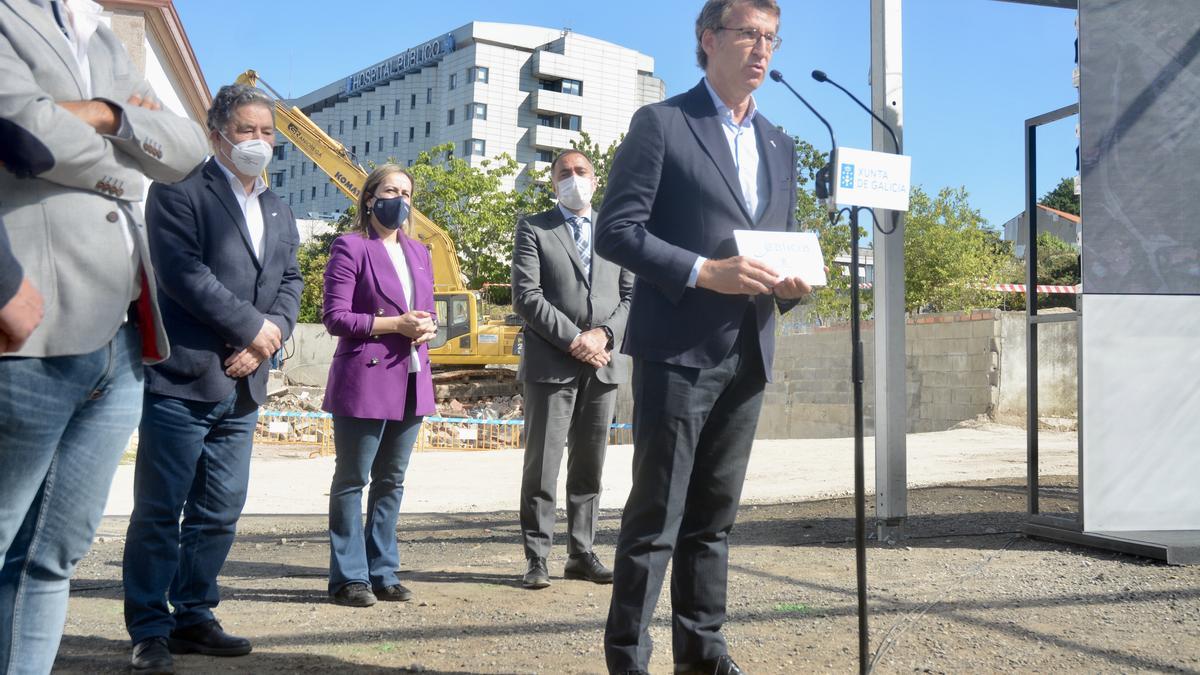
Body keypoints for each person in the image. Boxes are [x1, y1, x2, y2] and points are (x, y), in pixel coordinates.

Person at [593, 1, 815, 673]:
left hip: (749, 349)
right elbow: (616, 231)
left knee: (714, 517)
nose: (761, 48)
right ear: (707, 39)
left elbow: (774, 241)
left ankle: (703, 650)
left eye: (771, 37)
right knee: (657, 515)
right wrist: (700, 271)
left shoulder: (780, 142)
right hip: (677, 351)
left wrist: (791, 282)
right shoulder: (662, 124)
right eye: (748, 32)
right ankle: (629, 656)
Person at [0, 0, 208, 671]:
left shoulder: (101, 37)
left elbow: (188, 149)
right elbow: (22, 133)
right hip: (29, 329)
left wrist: (110, 114)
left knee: (52, 555)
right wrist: (128, 156)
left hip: (119, 338)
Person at [121, 83, 302, 673]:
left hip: (244, 385)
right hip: (183, 378)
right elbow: (182, 274)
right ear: (215, 132)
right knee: (159, 508)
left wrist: (268, 335)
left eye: (266, 132)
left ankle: (194, 613)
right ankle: (150, 627)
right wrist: (252, 329)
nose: (257, 142)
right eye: (245, 130)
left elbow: (291, 281)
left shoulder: (277, 205)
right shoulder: (177, 190)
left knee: (219, 510)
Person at [511, 150, 634, 589]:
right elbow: (526, 296)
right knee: (542, 465)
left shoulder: (616, 231)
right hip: (551, 363)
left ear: (595, 180)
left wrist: (602, 335)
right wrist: (575, 339)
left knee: (590, 465)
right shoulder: (534, 227)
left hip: (604, 364)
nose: (574, 178)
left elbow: (631, 297)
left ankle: (581, 552)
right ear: (552, 183)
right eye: (565, 173)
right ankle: (537, 557)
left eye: (581, 171)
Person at [321, 164, 438, 608]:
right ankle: (348, 577)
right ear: (370, 198)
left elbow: (427, 311)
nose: (400, 200)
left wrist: (427, 327)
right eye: (391, 190)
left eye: (407, 193)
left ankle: (383, 569)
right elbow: (335, 318)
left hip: (412, 377)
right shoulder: (350, 247)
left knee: (392, 480)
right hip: (365, 377)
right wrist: (396, 325)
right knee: (353, 479)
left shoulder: (420, 252)